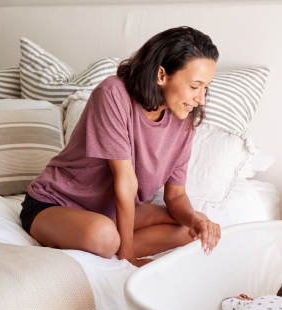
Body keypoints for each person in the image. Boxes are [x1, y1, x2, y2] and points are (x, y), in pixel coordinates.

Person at [20, 27, 222, 267]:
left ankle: (112, 240)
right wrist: (127, 257)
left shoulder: (185, 120)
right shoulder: (113, 93)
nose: (200, 99)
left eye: (205, 88)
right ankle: (110, 243)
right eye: (194, 86)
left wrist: (194, 221)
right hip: (55, 204)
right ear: (161, 75)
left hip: (110, 214)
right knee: (104, 236)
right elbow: (125, 181)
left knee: (195, 227)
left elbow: (176, 195)